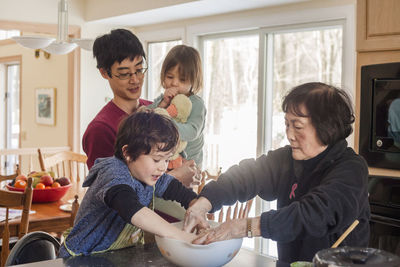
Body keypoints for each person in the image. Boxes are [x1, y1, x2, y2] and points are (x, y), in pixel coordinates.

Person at [183, 82, 370, 263]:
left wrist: (244, 227)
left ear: (327, 127)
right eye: (287, 124)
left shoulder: (351, 169)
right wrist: (203, 203)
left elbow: (315, 214)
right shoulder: (287, 158)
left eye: (297, 126)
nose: (289, 134)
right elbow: (246, 176)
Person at [59, 110, 198, 257]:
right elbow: (133, 210)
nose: (163, 167)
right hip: (82, 257)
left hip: (115, 257)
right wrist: (179, 235)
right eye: (157, 159)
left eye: (167, 160)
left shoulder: (146, 173)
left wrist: (197, 207)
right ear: (128, 153)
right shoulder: (112, 173)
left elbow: (177, 190)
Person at [82, 29, 196, 186]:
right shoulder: (100, 129)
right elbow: (111, 192)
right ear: (104, 73)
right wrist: (174, 179)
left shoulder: (156, 110)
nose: (135, 79)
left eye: (139, 69)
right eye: (124, 74)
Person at [149, 44, 206, 168]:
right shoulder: (164, 98)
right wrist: (163, 104)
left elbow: (192, 132)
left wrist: (165, 122)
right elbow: (146, 117)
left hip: (190, 163)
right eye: (170, 77)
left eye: (183, 79)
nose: (174, 83)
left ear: (194, 81)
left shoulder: (197, 104)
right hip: (166, 161)